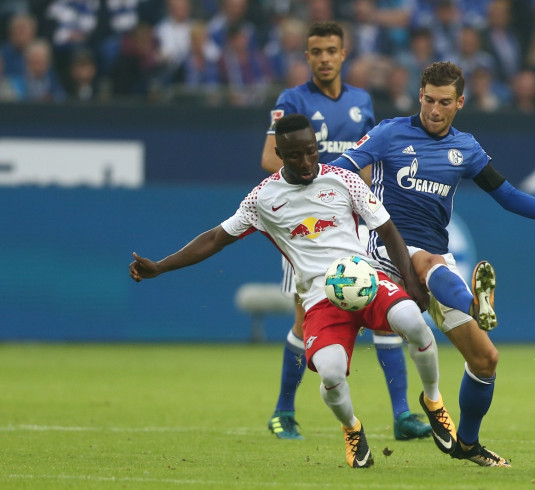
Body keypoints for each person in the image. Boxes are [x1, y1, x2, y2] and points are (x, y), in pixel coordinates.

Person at [129, 114, 458, 469]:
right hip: (319, 299)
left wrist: (410, 282)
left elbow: (389, 230)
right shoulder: (263, 199)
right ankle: (352, 428)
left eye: (312, 152)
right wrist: (161, 266)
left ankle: (434, 401)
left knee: (414, 322)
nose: (306, 163)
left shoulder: (343, 179)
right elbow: (214, 239)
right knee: (331, 374)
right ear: (279, 153)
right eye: (296, 155)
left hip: (367, 281)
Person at [331, 61, 535, 467]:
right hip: (387, 251)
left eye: (444, 103)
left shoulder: (466, 148)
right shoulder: (389, 133)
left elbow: (505, 194)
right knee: (428, 263)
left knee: (486, 359)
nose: (435, 110)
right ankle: (474, 303)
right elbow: (343, 169)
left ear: (460, 102)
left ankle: (467, 444)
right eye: (429, 100)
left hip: (435, 259)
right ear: (420, 96)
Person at [259, 21, 431, 442]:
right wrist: (320, 178)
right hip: (307, 227)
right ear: (307, 57)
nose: (323, 58)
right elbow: (269, 159)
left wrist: (369, 199)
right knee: (306, 320)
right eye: (315, 51)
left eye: (330, 51)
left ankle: (403, 414)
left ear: (343, 53)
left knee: (382, 308)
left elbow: (369, 159)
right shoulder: (291, 99)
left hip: (352, 224)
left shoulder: (361, 101)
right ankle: (283, 411)